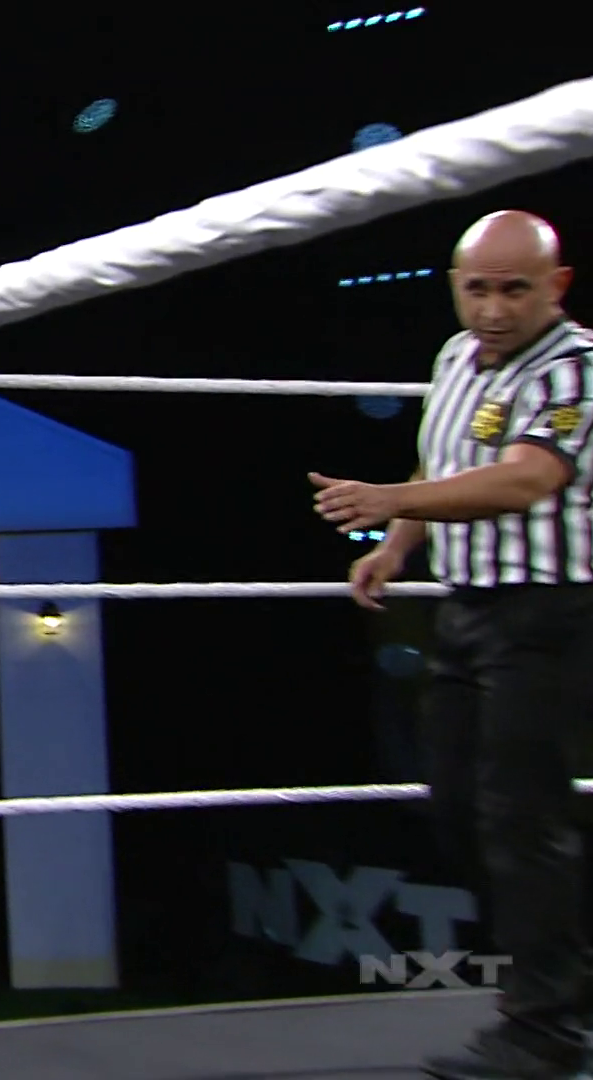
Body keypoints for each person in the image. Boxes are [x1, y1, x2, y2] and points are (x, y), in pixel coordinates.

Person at [314, 210, 593, 1080]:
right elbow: (440, 462)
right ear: (454, 287)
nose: (495, 308)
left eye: (515, 289)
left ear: (557, 285)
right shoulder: (454, 357)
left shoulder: (577, 366)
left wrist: (391, 502)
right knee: (457, 806)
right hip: (467, 611)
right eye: (478, 289)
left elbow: (527, 477)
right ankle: (565, 982)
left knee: (522, 818)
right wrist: (396, 547)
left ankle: (545, 1033)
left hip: (551, 614)